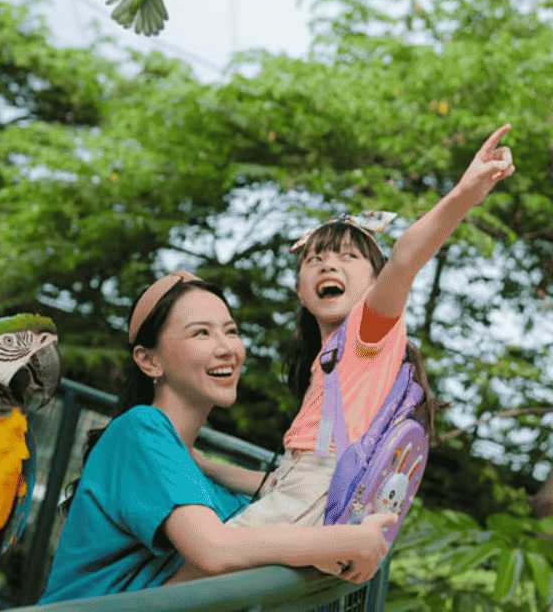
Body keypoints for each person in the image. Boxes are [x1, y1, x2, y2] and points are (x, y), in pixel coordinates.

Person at [182, 124, 515, 577]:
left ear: (377, 282)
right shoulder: (330, 361)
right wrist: (204, 464)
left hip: (314, 501)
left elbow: (406, 258)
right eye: (314, 259)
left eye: (347, 256)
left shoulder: (366, 333)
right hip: (306, 497)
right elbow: (285, 485)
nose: (327, 264)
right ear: (300, 291)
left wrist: (464, 194)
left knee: (190, 573)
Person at [39, 272, 395, 602]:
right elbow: (214, 550)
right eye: (201, 333)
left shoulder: (200, 481)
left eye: (231, 331)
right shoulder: (139, 429)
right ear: (149, 361)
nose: (227, 348)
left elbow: (287, 491)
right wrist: (343, 542)